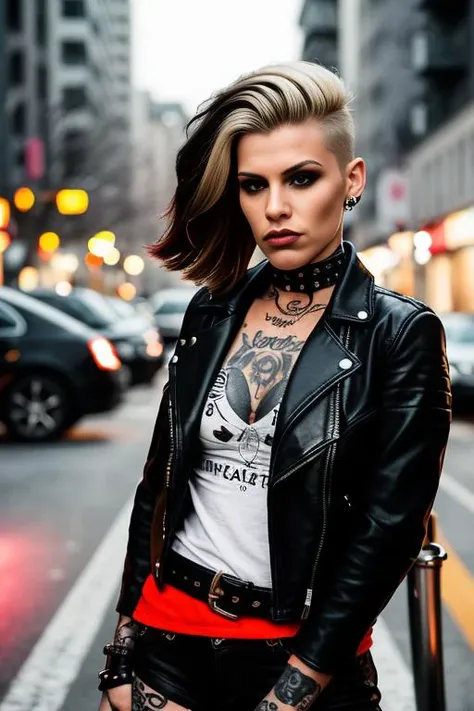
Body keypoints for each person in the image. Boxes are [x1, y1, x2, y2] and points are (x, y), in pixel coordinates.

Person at [97, 61, 452, 711]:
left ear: (352, 181)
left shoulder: (399, 334)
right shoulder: (213, 309)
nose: (275, 207)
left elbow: (388, 529)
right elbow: (161, 481)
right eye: (253, 185)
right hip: (167, 642)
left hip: (303, 658)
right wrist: (122, 651)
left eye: (302, 178)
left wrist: (294, 688)